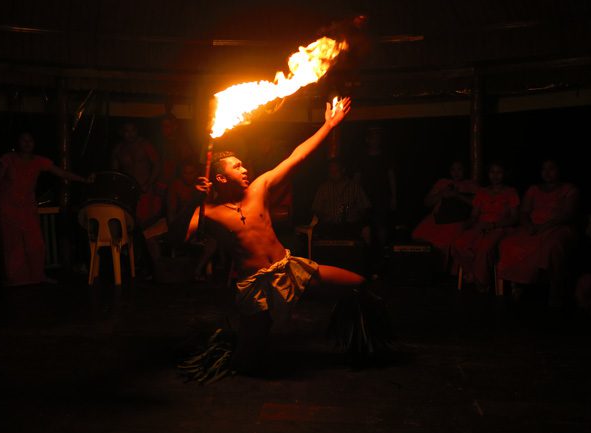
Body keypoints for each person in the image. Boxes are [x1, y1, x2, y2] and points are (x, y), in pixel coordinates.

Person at [169, 98, 389, 371]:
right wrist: (193, 199)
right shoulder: (209, 211)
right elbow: (179, 238)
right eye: (236, 167)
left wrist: (329, 125)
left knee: (358, 283)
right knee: (247, 361)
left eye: (243, 164)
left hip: (288, 270)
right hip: (256, 286)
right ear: (221, 178)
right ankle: (231, 353)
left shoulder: (259, 188)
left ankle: (358, 338)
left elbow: (297, 156)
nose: (245, 169)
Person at [0, 131, 90, 286]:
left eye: (30, 140)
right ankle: (16, 278)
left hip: (27, 208)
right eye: (23, 140)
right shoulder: (7, 159)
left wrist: (84, 180)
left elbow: (61, 173)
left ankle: (38, 275)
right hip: (8, 208)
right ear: (18, 143)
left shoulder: (39, 161)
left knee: (36, 243)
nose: (27, 143)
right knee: (13, 244)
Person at [497, 159, 579, 306]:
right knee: (509, 243)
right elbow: (524, 212)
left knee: (551, 246)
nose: (547, 172)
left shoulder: (569, 189)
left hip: (557, 227)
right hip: (534, 226)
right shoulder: (534, 189)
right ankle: (519, 284)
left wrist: (546, 226)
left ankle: (555, 292)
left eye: (551, 168)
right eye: (544, 169)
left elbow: (568, 214)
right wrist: (529, 226)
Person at [451, 162, 519, 292]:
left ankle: (481, 282)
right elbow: (474, 215)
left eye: (499, 172)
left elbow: (514, 218)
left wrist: (494, 225)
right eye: (492, 172)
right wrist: (466, 224)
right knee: (460, 243)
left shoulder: (510, 192)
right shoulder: (482, 192)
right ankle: (472, 273)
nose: (495, 176)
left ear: (504, 174)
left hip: (500, 227)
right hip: (481, 225)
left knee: (484, 248)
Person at [112, 121, 166, 282]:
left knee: (148, 228)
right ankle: (134, 266)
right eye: (126, 131)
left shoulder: (145, 145)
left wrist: (148, 183)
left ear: (137, 131)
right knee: (130, 229)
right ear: (122, 132)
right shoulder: (118, 149)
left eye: (133, 130)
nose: (130, 134)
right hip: (129, 194)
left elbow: (157, 164)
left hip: (145, 192)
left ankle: (154, 268)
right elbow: (114, 173)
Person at [412, 161, 479, 270]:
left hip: (456, 220)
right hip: (437, 218)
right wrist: (441, 194)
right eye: (453, 169)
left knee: (442, 243)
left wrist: (457, 195)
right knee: (418, 236)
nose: (456, 173)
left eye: (459, 169)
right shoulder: (443, 183)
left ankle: (440, 271)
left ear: (465, 170)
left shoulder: (471, 185)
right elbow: (427, 202)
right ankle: (423, 270)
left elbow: (478, 204)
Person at [355, 126, 397, 275]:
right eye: (373, 136)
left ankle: (383, 251)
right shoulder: (362, 157)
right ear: (367, 139)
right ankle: (368, 255)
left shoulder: (385, 156)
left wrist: (393, 197)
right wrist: (357, 197)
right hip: (365, 196)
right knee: (366, 226)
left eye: (378, 136)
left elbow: (391, 176)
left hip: (382, 195)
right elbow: (357, 179)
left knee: (381, 225)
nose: (376, 139)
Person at [167, 160, 216, 281]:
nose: (188, 176)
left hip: (200, 225)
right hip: (181, 223)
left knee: (213, 243)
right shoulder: (175, 186)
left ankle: (197, 271)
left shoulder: (204, 186)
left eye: (191, 173)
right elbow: (171, 212)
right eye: (185, 173)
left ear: (197, 173)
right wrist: (174, 230)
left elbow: (209, 210)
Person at [312, 158, 371, 242]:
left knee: (365, 229)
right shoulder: (323, 188)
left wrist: (356, 216)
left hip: (350, 225)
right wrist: (325, 217)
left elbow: (365, 207)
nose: (333, 174)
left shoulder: (354, 187)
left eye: (336, 171)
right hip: (330, 226)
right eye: (331, 172)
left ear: (343, 170)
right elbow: (316, 208)